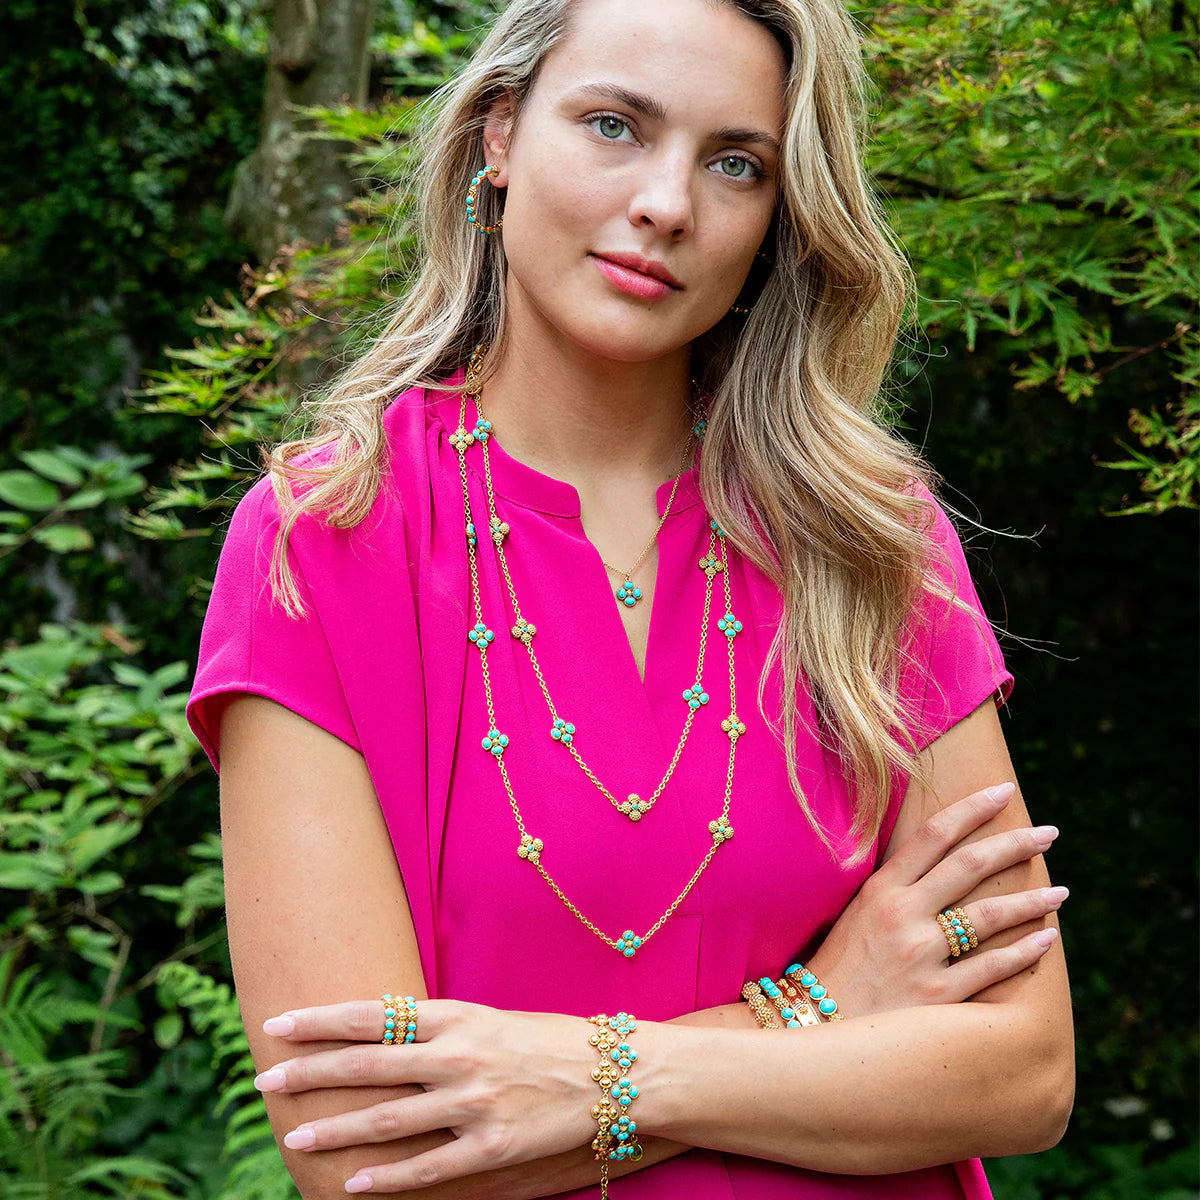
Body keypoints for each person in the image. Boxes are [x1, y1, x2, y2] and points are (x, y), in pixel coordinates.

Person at [186, 0, 1074, 1196]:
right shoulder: (325, 542)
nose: (668, 203)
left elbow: (1022, 1074)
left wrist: (578, 1081)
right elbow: (366, 1145)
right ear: (499, 137)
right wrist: (820, 1009)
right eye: (613, 124)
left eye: (735, 162)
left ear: (777, 215)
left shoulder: (870, 538)